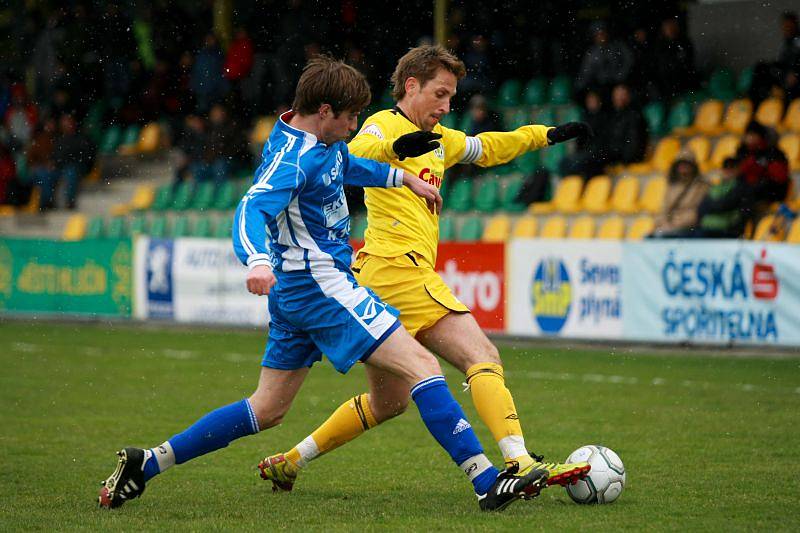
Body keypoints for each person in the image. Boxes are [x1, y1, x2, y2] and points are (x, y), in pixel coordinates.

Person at [97, 56, 548, 513]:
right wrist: (255, 261)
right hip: (323, 286)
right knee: (423, 367)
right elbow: (250, 208)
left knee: (266, 409)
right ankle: (486, 481)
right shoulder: (295, 158)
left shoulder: (316, 141)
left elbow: (348, 164)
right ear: (326, 110)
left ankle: (148, 463)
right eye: (351, 116)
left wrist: (403, 177)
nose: (356, 126)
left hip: (293, 295)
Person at [259, 45, 591, 494]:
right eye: (439, 94)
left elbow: (486, 146)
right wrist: (397, 147)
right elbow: (360, 149)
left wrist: (543, 135)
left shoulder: (441, 140)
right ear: (410, 86)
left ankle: (291, 460)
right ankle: (519, 459)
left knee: (387, 402)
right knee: (482, 356)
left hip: (379, 276)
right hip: (399, 270)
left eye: (451, 98)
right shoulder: (381, 122)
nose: (445, 106)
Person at [649, 152, 709, 238]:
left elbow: (696, 213)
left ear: (693, 166)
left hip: (688, 227)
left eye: (686, 164)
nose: (683, 167)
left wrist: (673, 225)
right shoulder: (672, 186)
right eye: (681, 164)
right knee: (649, 237)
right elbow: (664, 209)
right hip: (669, 226)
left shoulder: (702, 186)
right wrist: (662, 223)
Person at [693, 157, 751, 239]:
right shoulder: (716, 186)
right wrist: (715, 205)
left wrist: (712, 205)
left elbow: (725, 205)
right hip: (708, 227)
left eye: (732, 167)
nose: (728, 170)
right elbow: (702, 207)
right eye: (725, 167)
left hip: (727, 230)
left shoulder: (741, 187)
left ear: (738, 169)